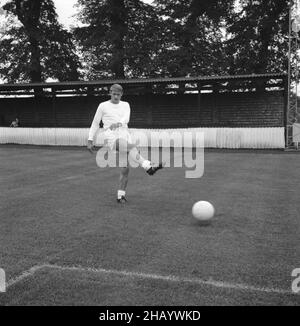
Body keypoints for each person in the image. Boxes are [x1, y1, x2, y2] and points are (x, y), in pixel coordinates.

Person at [87, 84, 164, 203]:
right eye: (114, 94)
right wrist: (90, 139)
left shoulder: (126, 105)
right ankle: (148, 166)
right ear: (110, 92)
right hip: (112, 136)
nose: (116, 96)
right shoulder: (103, 106)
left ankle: (120, 196)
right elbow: (95, 123)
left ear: (121, 94)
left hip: (125, 134)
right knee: (132, 148)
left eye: (118, 94)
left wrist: (118, 123)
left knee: (125, 168)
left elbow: (126, 119)